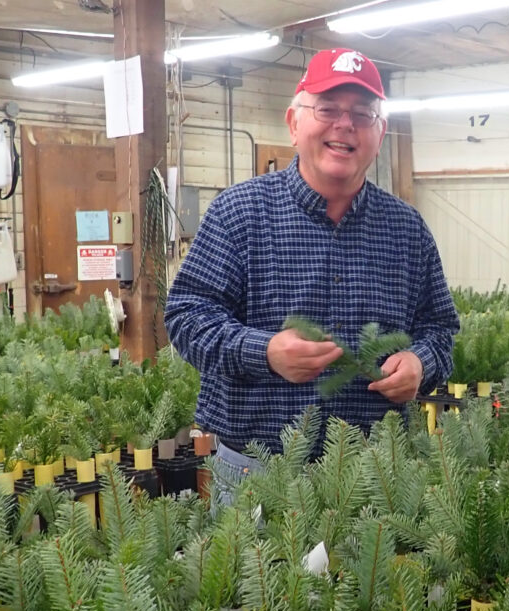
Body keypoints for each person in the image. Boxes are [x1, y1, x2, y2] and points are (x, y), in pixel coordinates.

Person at [164, 47, 459, 487]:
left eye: (363, 113)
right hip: (256, 471)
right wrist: (264, 352)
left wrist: (420, 363)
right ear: (294, 122)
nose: (345, 125)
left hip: (373, 473)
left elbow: (440, 330)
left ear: (380, 134)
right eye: (328, 109)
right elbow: (186, 319)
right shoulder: (239, 213)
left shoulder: (407, 229)